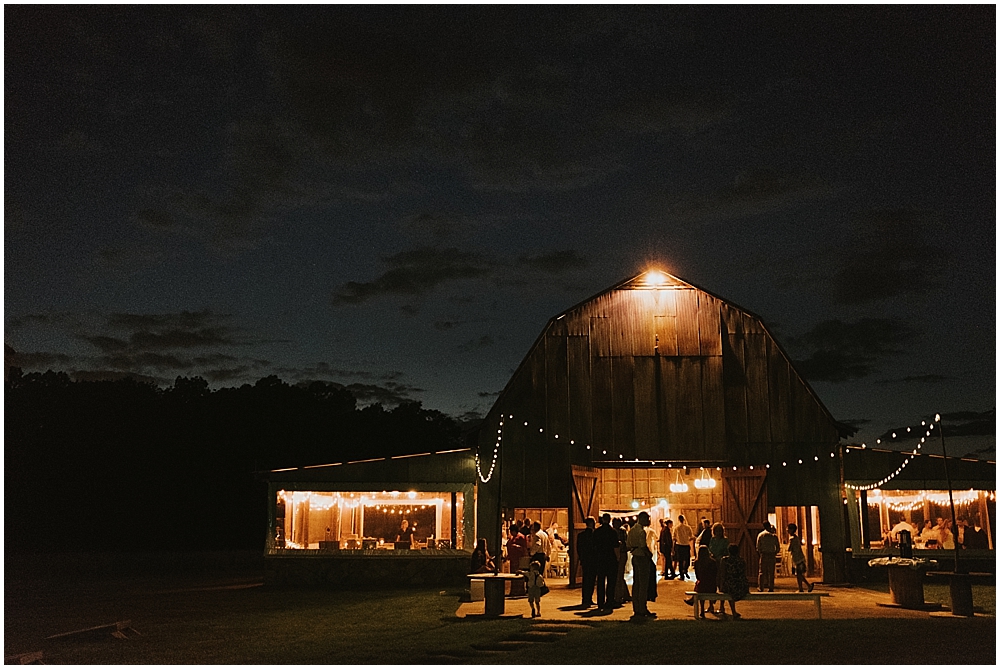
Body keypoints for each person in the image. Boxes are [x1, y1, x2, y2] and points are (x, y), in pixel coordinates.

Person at [626, 511, 656, 619]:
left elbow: (628, 545)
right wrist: (649, 554)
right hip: (642, 558)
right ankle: (643, 608)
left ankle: (636, 608)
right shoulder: (641, 532)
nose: (648, 521)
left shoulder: (631, 531)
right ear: (642, 519)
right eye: (647, 519)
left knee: (636, 583)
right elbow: (643, 546)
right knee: (643, 584)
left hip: (635, 557)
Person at [593, 513, 619, 612]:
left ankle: (600, 602)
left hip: (600, 559)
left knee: (600, 581)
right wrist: (618, 558)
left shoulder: (597, 532)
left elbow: (594, 546)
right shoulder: (613, 532)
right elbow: (615, 547)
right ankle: (609, 601)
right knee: (611, 582)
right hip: (610, 559)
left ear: (602, 519)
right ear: (610, 520)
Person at [720, 544, 750, 619]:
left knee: (726, 588)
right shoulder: (742, 560)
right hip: (741, 585)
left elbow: (723, 574)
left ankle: (731, 610)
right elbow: (744, 573)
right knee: (728, 586)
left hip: (731, 584)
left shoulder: (725, 560)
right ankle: (723, 608)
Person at [691, 545, 719, 619]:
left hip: (702, 586)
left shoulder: (697, 562)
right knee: (707, 583)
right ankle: (711, 606)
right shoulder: (713, 562)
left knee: (700, 584)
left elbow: (698, 577)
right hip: (712, 586)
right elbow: (715, 574)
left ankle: (702, 610)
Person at [577, 517, 598, 607]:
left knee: (586, 579)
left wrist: (581, 558)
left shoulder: (581, 535)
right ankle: (589, 598)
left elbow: (578, 548)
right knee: (592, 580)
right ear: (592, 523)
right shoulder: (595, 534)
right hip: (593, 560)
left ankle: (585, 599)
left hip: (585, 560)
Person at [787, 523, 813, 592]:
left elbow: (789, 548)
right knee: (799, 574)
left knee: (799, 574)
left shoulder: (792, 539)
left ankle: (806, 586)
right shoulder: (797, 537)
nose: (787, 530)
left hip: (797, 558)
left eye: (788, 529)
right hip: (800, 557)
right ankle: (802, 588)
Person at [755, 521, 780, 592]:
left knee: (762, 572)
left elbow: (758, 547)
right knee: (771, 572)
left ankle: (761, 587)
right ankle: (771, 587)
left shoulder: (760, 535)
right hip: (771, 554)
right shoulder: (774, 536)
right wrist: (774, 553)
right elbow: (777, 547)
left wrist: (761, 553)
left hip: (764, 554)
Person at [613, 517, 631, 607]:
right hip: (622, 553)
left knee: (618, 575)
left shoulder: (618, 531)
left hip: (619, 554)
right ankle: (624, 594)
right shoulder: (622, 531)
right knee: (619, 575)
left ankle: (619, 596)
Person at [506, 523, 528, 596]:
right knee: (513, 575)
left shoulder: (521, 537)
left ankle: (520, 591)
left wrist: (517, 547)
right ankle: (514, 591)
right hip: (513, 558)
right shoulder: (512, 538)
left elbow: (524, 548)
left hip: (518, 559)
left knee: (518, 574)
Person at [673, 514, 694, 580]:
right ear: (684, 519)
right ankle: (685, 569)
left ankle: (682, 576)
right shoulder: (688, 528)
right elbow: (691, 537)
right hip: (686, 545)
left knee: (680, 561)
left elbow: (674, 538)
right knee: (687, 559)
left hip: (679, 546)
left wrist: (673, 548)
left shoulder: (676, 528)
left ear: (678, 520)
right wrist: (687, 539)